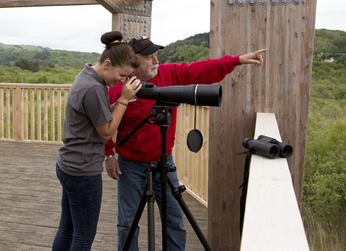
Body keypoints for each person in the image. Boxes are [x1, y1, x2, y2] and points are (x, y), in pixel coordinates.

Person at [104, 36, 267, 251]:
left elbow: (201, 69)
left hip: (164, 160)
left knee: (174, 220)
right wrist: (109, 155)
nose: (155, 61)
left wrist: (236, 60)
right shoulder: (119, 87)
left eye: (156, 56)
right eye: (149, 57)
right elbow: (105, 122)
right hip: (131, 166)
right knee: (127, 224)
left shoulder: (169, 73)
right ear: (134, 61)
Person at [52, 31, 142, 251]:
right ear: (108, 64)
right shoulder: (93, 88)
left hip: (69, 165)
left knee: (68, 228)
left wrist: (121, 102)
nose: (122, 81)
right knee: (83, 236)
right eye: (122, 75)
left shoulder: (87, 76)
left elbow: (99, 115)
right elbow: (106, 131)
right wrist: (123, 99)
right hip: (82, 172)